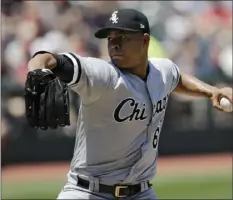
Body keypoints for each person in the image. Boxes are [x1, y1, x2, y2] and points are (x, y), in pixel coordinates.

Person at [27, 9, 232, 200]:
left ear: (145, 41)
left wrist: (211, 91)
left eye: (122, 37)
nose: (114, 44)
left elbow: (177, 79)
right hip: (86, 192)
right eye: (110, 38)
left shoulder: (163, 70)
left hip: (141, 192)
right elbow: (52, 60)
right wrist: (37, 69)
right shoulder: (102, 75)